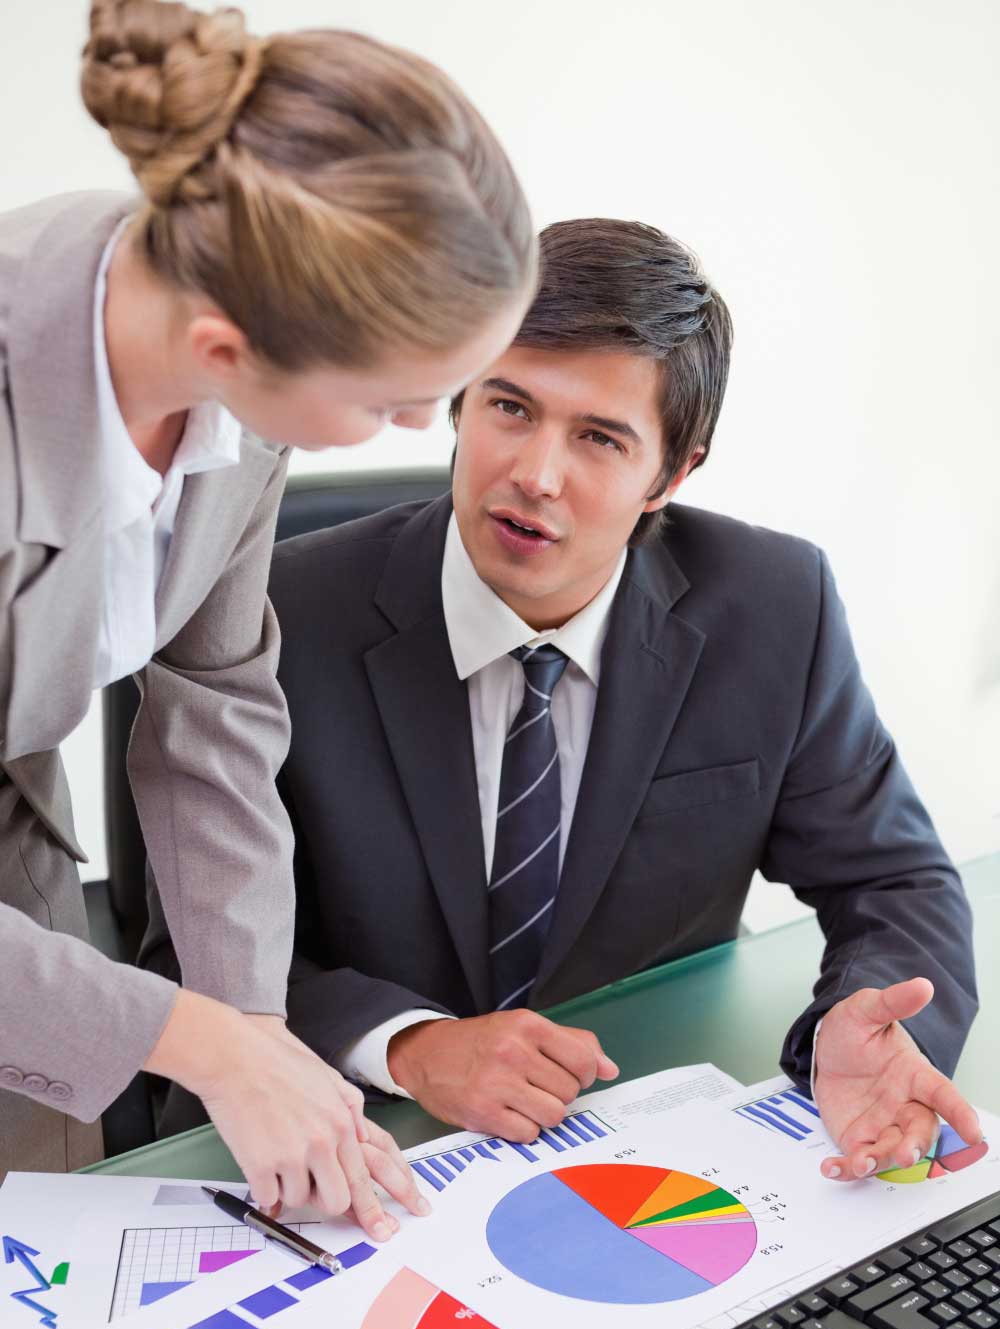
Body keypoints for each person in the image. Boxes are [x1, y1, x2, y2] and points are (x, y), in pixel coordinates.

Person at [148, 217, 980, 1185]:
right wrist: (411, 1047)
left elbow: (896, 880)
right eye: (509, 407)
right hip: (353, 1156)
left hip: (636, 1157)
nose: (535, 475)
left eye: (598, 438)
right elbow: (180, 959)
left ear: (670, 473)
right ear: (460, 400)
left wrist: (859, 1017)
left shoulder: (774, 610)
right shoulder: (272, 617)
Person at [0, 0, 536, 1231]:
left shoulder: (234, 362)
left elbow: (218, 707)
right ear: (224, 346)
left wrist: (252, 1032)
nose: (425, 435)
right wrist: (200, 1042)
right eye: (394, 403)